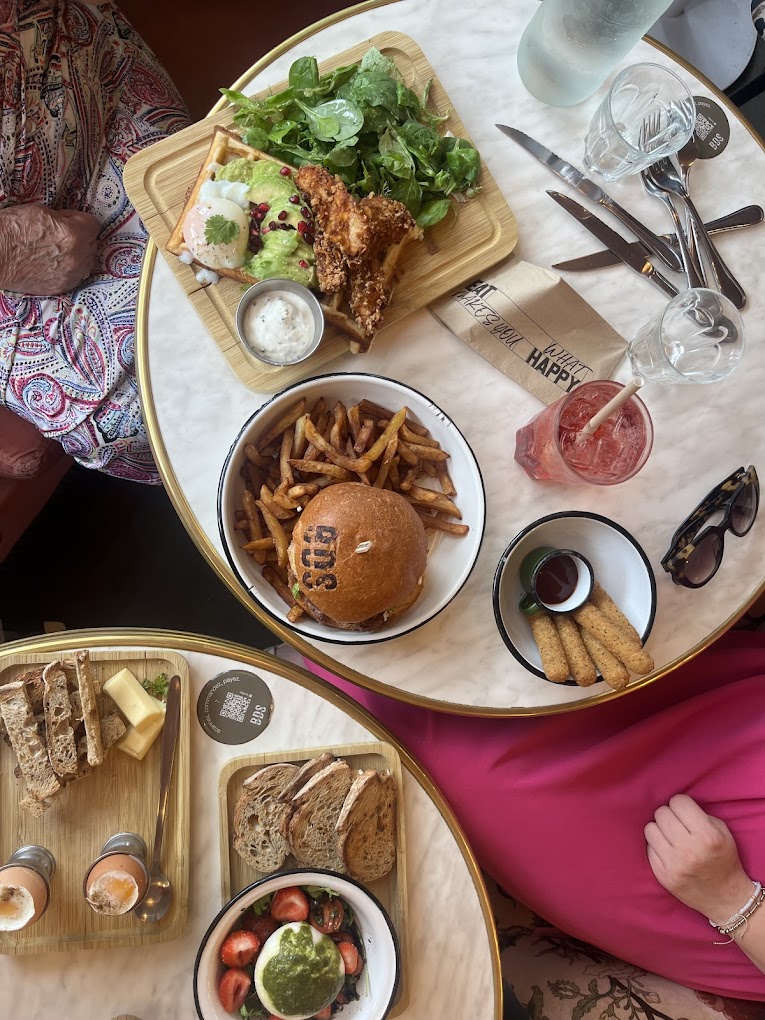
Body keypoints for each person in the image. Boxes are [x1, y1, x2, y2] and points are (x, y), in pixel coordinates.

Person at [301, 628, 765, 1001]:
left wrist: (731, 899)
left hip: (732, 901)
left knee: (485, 775)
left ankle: (318, 669)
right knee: (580, 663)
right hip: (739, 717)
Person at [0, 0, 189, 483]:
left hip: (75, 62)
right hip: (12, 275)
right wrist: (10, 248)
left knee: (235, 218)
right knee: (150, 410)